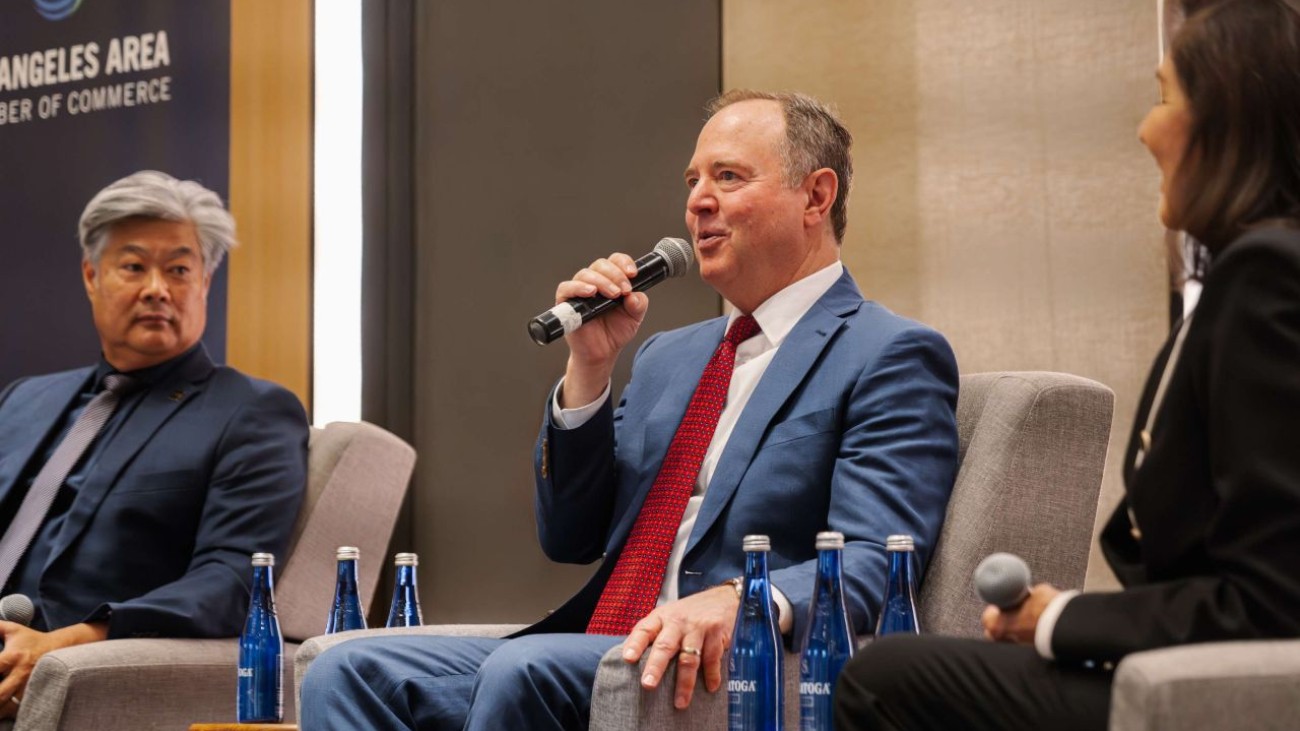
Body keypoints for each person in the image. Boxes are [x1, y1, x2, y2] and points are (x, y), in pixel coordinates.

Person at [300, 90, 959, 731]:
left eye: (728, 177)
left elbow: (875, 557)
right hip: (603, 636)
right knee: (345, 667)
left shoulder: (887, 353)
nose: (697, 200)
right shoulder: (671, 356)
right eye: (693, 179)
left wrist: (742, 601)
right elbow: (571, 537)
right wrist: (589, 368)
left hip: (735, 660)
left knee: (524, 671)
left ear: (816, 196)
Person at [833, 1, 1300, 729]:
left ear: (1227, 123)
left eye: (1163, 96)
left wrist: (1062, 620)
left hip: (1229, 682)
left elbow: (1272, 599)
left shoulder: (1267, 277)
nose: (1145, 128)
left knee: (885, 675)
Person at [0, 170, 308, 715]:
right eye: (134, 266)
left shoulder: (252, 412)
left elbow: (230, 581)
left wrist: (71, 641)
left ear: (206, 283)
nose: (156, 289)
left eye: (180, 269)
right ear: (91, 275)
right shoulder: (24, 400)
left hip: (57, 656)